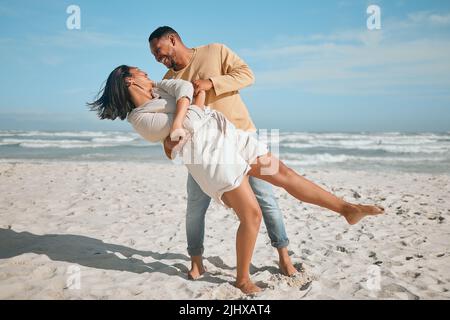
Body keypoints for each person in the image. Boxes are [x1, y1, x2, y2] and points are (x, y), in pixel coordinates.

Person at [88, 65, 385, 294]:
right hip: (211, 158)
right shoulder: (141, 119)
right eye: (141, 71)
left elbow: (183, 90)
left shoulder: (159, 89)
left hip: (231, 136)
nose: (148, 72)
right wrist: (190, 108)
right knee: (252, 215)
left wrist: (186, 108)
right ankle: (242, 278)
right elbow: (190, 115)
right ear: (129, 80)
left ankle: (346, 208)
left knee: (285, 175)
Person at [148, 26, 299, 279]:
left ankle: (284, 257)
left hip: (244, 136)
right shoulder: (168, 80)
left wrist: (211, 83)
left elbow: (247, 75)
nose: (158, 58)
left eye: (159, 51)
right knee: (196, 206)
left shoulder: (215, 50)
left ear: (173, 40)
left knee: (267, 200)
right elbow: (172, 119)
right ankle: (196, 261)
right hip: (202, 152)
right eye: (154, 55)